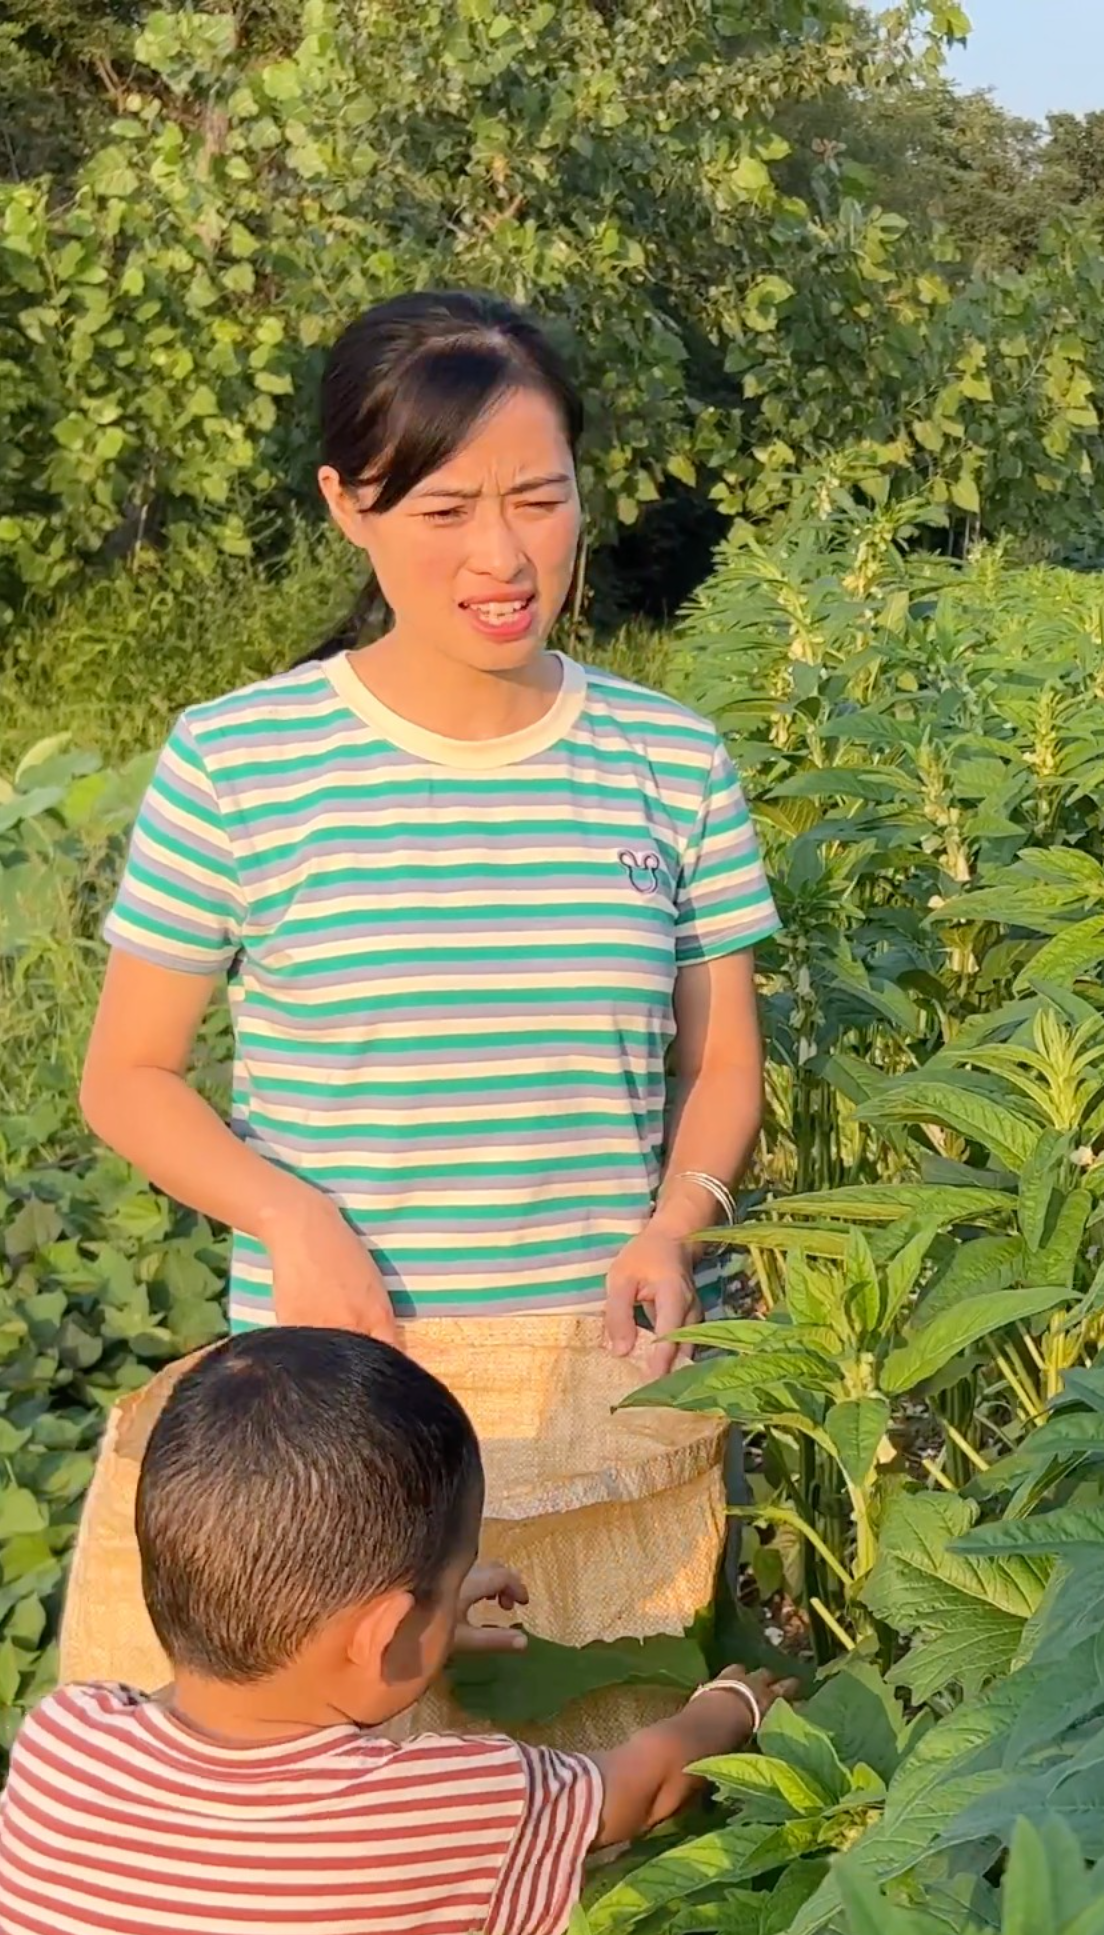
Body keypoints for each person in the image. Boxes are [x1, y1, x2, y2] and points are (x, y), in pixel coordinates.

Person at [79, 289, 775, 1363]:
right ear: (347, 505)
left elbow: (722, 1063)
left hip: (614, 1369)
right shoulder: (236, 761)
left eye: (539, 500)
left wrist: (676, 1228)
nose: (501, 556)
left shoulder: (671, 759)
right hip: (341, 1376)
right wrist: (287, 1219)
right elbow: (128, 1076)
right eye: (445, 513)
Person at [0, 1326, 790, 1935]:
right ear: (383, 1631)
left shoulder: (60, 1744)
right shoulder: (428, 1806)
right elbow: (634, 1795)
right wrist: (728, 1707)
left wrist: (397, 1634)